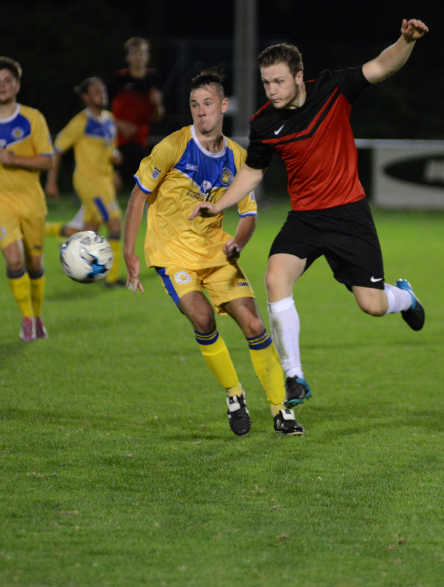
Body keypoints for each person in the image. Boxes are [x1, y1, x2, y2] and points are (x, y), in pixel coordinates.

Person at [190, 19, 430, 409]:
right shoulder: (264, 123)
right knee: (274, 278)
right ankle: (294, 377)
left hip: (349, 215)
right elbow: (253, 170)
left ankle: (404, 296)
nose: (272, 90)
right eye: (266, 83)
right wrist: (218, 204)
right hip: (304, 219)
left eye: (279, 82)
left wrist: (406, 41)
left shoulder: (334, 89)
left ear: (300, 77)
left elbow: (383, 66)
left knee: (372, 304)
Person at [123, 68, 304, 436]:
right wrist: (129, 252)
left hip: (217, 253)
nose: (201, 111)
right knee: (203, 319)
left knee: (253, 324)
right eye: (194, 105)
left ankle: (280, 410)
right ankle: (235, 395)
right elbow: (139, 195)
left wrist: (238, 242)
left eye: (208, 103)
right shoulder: (171, 147)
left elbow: (249, 214)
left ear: (223, 106)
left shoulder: (239, 157)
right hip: (173, 256)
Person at [0, 57, 54, 341]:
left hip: (31, 200)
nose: (2, 86)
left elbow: (47, 161)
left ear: (16, 85)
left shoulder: (33, 118)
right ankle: (26, 319)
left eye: (7, 81)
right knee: (14, 260)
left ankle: (37, 318)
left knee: (34, 264)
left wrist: (14, 158)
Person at [45, 77, 125, 286]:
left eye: (103, 90)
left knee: (89, 233)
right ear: (86, 98)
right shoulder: (80, 122)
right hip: (90, 183)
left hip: (104, 181)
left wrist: (114, 160)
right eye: (96, 91)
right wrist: (51, 181)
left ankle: (43, 228)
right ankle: (113, 278)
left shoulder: (108, 119)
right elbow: (58, 148)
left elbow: (110, 149)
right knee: (115, 226)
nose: (102, 94)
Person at [109, 37, 164, 192]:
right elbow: (102, 113)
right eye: (134, 53)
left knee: (147, 185)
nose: (138, 56)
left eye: (142, 53)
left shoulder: (153, 78)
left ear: (147, 57)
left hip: (141, 140)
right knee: (113, 181)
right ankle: (101, 214)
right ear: (127, 57)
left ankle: (147, 216)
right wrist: (119, 124)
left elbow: (158, 116)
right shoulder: (118, 79)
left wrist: (158, 104)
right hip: (118, 139)